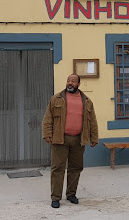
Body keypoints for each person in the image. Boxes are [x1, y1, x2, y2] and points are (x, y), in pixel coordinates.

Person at [42, 74, 98, 208]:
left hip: (79, 140)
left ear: (78, 84)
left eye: (73, 81)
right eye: (68, 80)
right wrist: (47, 134)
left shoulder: (87, 101)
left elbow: (93, 122)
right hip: (60, 139)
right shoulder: (56, 99)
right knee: (57, 168)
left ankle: (71, 194)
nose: (70, 83)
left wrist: (94, 137)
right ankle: (55, 197)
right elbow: (47, 118)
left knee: (76, 168)